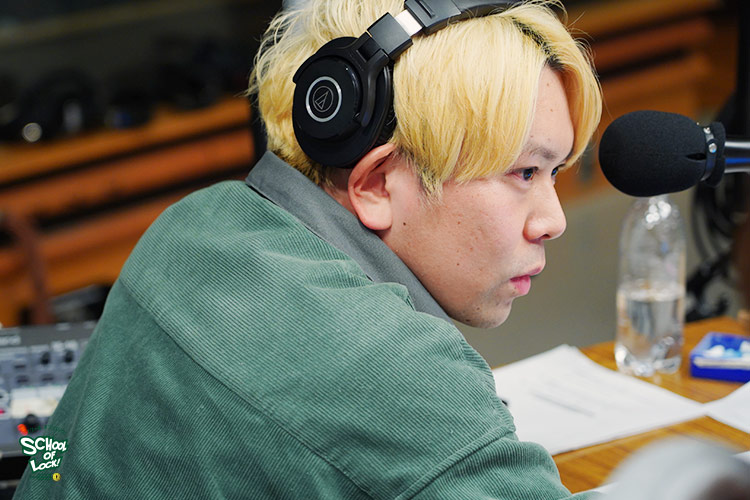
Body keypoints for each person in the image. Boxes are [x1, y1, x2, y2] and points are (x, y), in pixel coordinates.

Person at [14, 0, 602, 498]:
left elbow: (56, 460)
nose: (553, 221)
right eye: (525, 172)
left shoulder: (193, 224)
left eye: (555, 172)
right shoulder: (393, 373)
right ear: (377, 185)